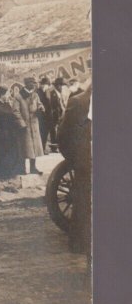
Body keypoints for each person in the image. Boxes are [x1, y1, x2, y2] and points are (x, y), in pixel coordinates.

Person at [57, 86, 92, 256]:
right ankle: (81, 244)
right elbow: (63, 135)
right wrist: (75, 159)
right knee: (83, 201)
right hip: (85, 161)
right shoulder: (78, 102)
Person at [0, 86, 26, 179]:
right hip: (0, 135)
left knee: (12, 152)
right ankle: (1, 173)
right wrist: (3, 133)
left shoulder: (8, 105)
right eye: (8, 93)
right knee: (1, 153)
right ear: (2, 95)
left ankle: (11, 172)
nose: (9, 95)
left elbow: (12, 118)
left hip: (10, 133)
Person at [13, 77, 45, 174]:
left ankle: (33, 168)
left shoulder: (35, 95)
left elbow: (40, 104)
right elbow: (15, 111)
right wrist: (22, 123)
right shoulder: (18, 97)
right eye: (32, 83)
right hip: (24, 126)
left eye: (35, 83)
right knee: (24, 147)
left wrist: (41, 108)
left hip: (34, 124)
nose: (34, 84)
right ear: (27, 84)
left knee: (34, 147)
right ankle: (22, 169)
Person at [47, 77, 68, 152]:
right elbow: (53, 106)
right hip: (55, 115)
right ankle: (54, 147)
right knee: (54, 131)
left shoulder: (59, 93)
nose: (61, 87)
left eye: (62, 86)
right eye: (60, 85)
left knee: (58, 130)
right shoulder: (53, 94)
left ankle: (58, 146)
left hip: (59, 114)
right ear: (57, 85)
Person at [36, 77, 52, 153]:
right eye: (46, 84)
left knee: (45, 132)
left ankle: (43, 147)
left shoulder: (48, 92)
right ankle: (41, 149)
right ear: (42, 85)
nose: (47, 86)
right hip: (40, 116)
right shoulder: (38, 92)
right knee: (41, 132)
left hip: (47, 116)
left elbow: (49, 104)